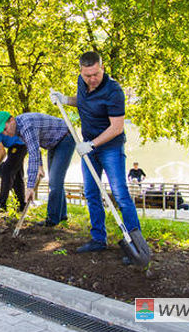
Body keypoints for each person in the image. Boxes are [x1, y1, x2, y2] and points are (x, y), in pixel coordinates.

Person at [50, 51, 142, 256]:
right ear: (81, 72)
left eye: (95, 74)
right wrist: (65, 99)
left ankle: (135, 243)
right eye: (87, 75)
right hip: (88, 147)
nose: (92, 79)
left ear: (102, 68)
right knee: (91, 192)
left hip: (110, 147)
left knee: (120, 194)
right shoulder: (82, 82)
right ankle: (98, 239)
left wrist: (92, 144)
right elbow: (82, 101)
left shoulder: (114, 91)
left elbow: (117, 127)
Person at [0, 110, 75, 226]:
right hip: (52, 143)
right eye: (2, 132)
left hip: (65, 138)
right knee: (56, 181)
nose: (5, 133)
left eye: (5, 129)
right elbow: (34, 146)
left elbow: (33, 155)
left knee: (55, 182)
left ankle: (52, 220)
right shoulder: (19, 130)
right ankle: (62, 216)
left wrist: (30, 187)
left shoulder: (26, 126)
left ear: (11, 120)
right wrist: (40, 166)